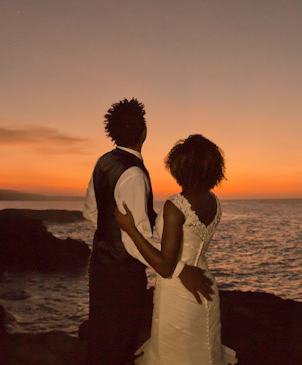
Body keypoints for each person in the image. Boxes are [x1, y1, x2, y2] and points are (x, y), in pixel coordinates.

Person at [83, 98, 214, 365]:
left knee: (103, 340)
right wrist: (178, 269)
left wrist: (109, 235)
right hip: (122, 276)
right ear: (144, 131)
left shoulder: (103, 161)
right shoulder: (134, 174)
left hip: (100, 268)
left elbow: (90, 212)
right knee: (118, 346)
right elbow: (133, 243)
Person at [115, 135, 237, 364]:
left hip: (179, 293)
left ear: (180, 167)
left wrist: (130, 229)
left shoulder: (175, 207)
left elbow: (164, 266)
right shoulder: (213, 200)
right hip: (205, 285)